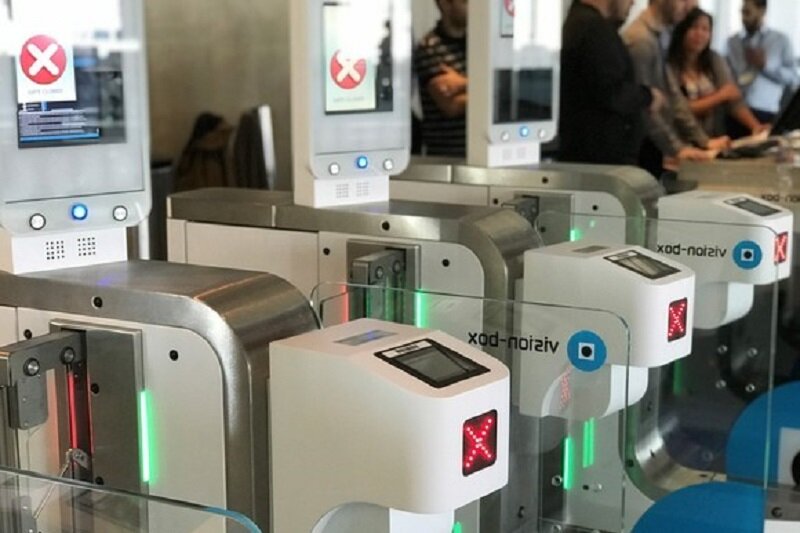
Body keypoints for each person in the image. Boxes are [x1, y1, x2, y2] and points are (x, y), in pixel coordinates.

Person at [623, 0, 728, 176]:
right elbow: (645, 107)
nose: (689, 7)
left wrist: (703, 141)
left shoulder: (661, 35)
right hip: (641, 150)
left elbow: (673, 95)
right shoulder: (641, 40)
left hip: (656, 146)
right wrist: (678, 148)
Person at [560, 0, 665, 165]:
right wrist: (648, 96)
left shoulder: (583, 23)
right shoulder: (593, 29)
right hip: (597, 160)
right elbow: (611, 91)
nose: (633, 2)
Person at [666, 7, 766, 138]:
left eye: (705, 29)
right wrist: (720, 96)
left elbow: (733, 100)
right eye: (694, 27)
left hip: (715, 138)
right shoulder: (669, 65)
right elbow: (681, 110)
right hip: (681, 142)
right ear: (682, 30)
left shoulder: (714, 59)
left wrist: (756, 126)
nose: (700, 34)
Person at [727, 0, 799, 124]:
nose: (743, 18)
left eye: (748, 12)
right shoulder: (732, 42)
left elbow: (793, 78)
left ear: (762, 11)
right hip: (735, 111)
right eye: (742, 12)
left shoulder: (780, 41)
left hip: (765, 112)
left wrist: (765, 66)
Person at [413, 0, 468, 157]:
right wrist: (491, 92)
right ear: (445, 4)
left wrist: (462, 83)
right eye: (465, 2)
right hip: (447, 157)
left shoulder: (477, 45)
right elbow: (452, 106)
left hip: (478, 151)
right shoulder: (429, 48)